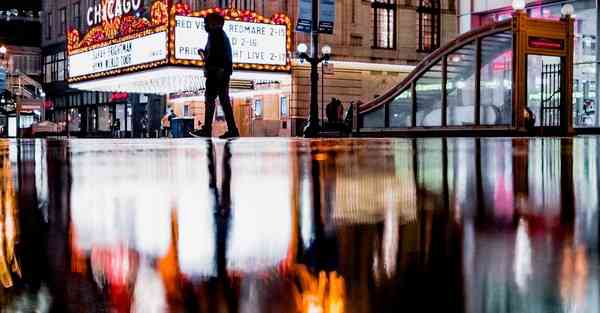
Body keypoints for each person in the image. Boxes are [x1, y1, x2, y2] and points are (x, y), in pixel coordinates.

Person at [190, 13, 239, 139]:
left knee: (210, 99)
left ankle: (207, 129)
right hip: (221, 72)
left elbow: (214, 57)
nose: (205, 25)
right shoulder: (220, 35)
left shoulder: (215, 35)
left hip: (216, 73)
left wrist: (205, 57)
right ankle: (232, 129)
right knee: (224, 101)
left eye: (207, 23)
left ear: (215, 23)